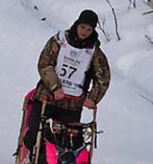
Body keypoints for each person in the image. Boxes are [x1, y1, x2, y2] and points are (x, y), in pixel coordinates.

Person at [23, 9, 110, 154]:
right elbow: (45, 64)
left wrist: (93, 98)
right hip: (47, 97)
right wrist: (55, 87)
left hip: (72, 104)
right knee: (34, 133)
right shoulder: (59, 41)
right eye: (82, 27)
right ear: (77, 24)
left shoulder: (94, 52)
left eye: (89, 29)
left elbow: (103, 77)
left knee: (68, 143)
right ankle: (34, 161)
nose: (84, 32)